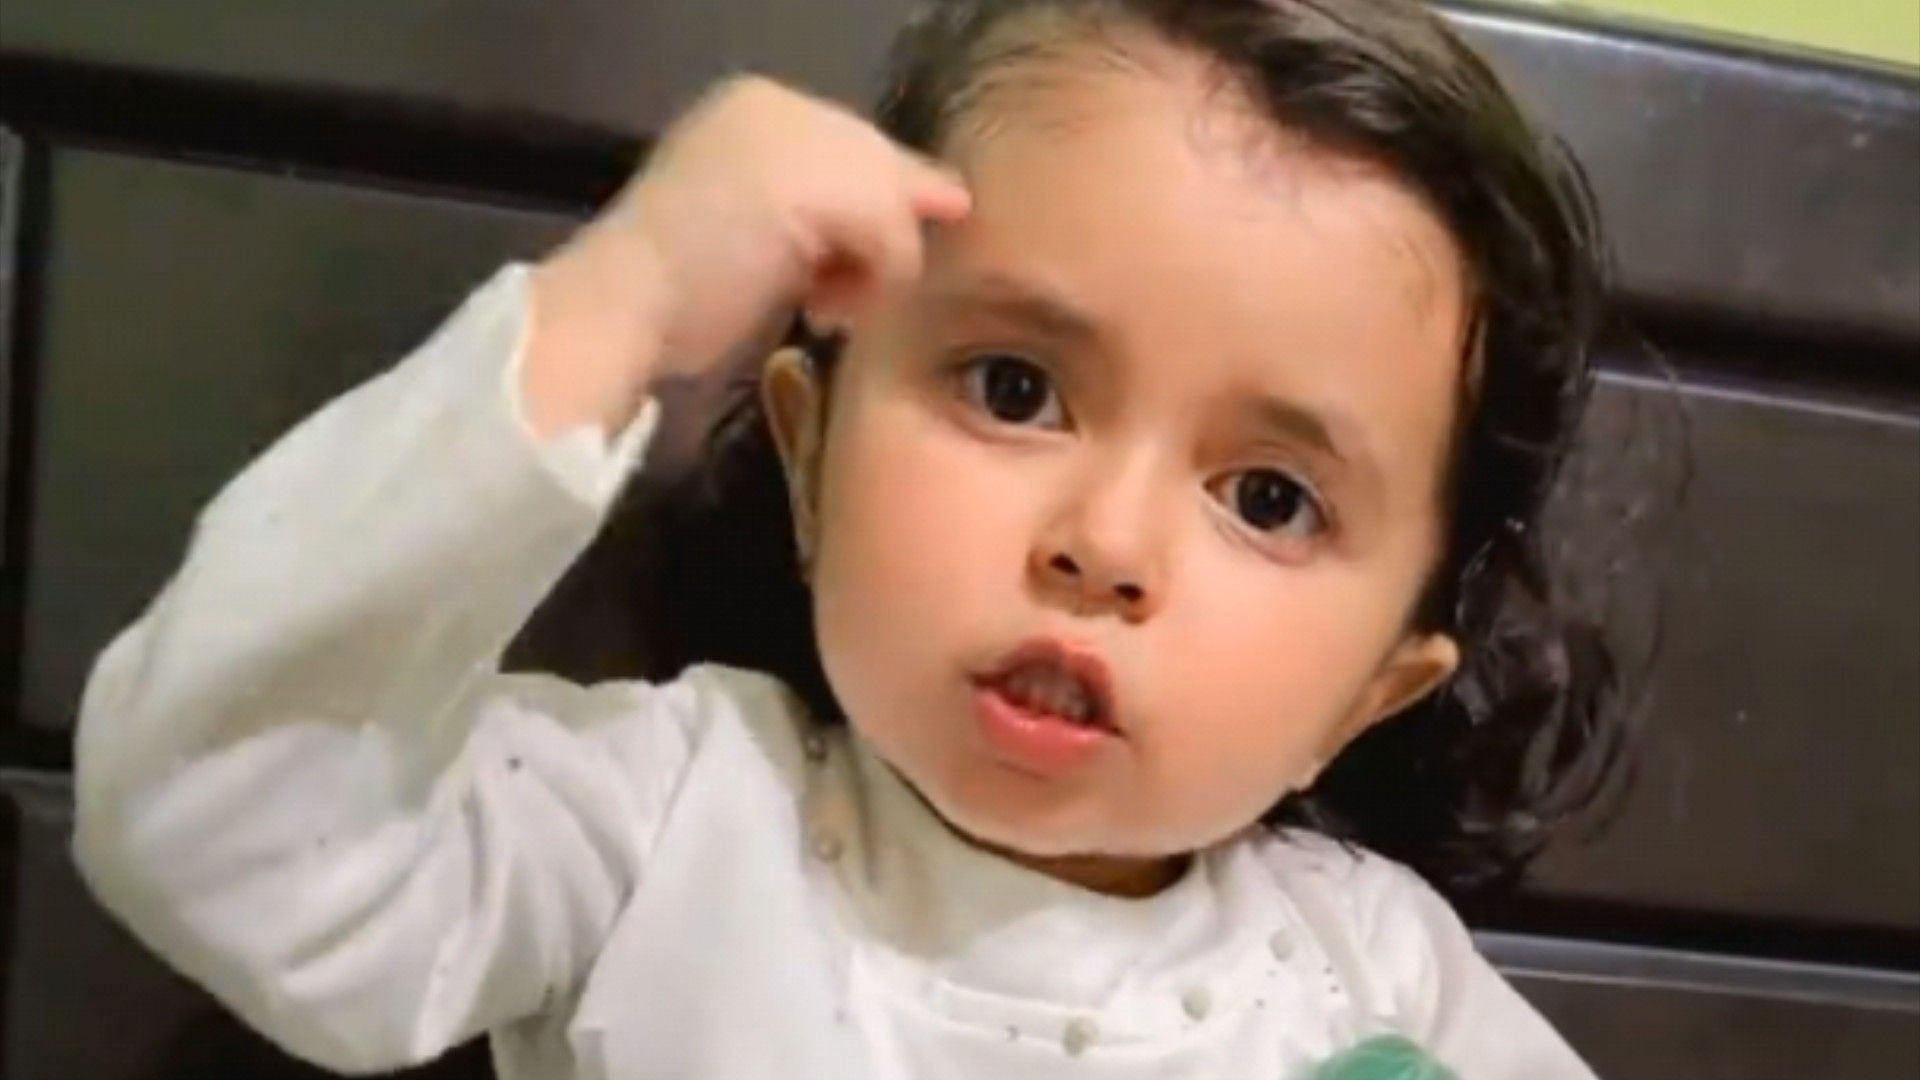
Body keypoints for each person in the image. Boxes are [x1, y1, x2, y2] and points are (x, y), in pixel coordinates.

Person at [71, 1, 1627, 1076]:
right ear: (810, 460)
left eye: (1268, 498)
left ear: (1367, 695)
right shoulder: (665, 824)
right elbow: (236, 831)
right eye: (1015, 389)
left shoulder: (1376, 972)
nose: (1105, 543)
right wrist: (616, 306)